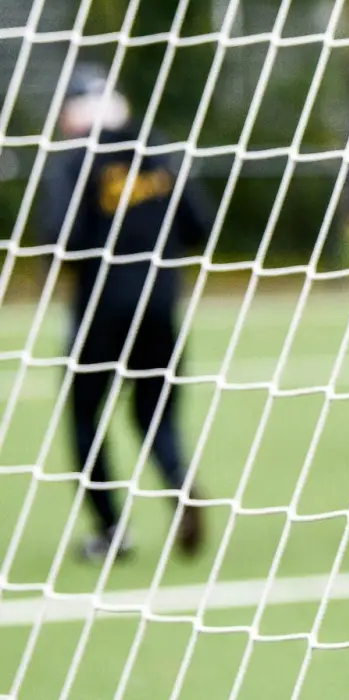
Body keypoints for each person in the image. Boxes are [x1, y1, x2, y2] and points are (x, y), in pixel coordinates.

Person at [38, 64, 214, 562]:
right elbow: (200, 221)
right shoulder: (155, 147)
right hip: (161, 306)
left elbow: (62, 237)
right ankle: (179, 482)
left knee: (84, 419)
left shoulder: (77, 160)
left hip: (101, 310)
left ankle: (111, 530)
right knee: (155, 414)